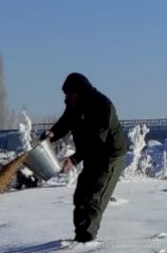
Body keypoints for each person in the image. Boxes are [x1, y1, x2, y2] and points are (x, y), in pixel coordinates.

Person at [40, 72, 128, 243]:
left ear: (78, 92)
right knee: (81, 195)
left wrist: (73, 160)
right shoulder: (75, 105)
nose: (66, 98)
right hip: (92, 154)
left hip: (110, 156)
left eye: (68, 94)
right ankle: (80, 235)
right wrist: (52, 133)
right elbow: (65, 121)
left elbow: (97, 141)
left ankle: (86, 243)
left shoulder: (103, 106)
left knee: (94, 196)